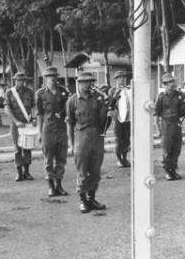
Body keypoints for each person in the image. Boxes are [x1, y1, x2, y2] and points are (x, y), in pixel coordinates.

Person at [66, 71, 108, 213]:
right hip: (81, 139)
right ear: (79, 83)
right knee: (82, 172)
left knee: (95, 171)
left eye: (90, 81)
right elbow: (70, 123)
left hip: (97, 138)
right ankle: (83, 200)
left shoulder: (98, 99)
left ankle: (92, 198)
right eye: (84, 82)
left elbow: (104, 123)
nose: (88, 84)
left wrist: (109, 107)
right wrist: (71, 144)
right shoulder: (72, 101)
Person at [36, 67, 69, 196]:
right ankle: (51, 185)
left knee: (61, 157)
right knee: (48, 158)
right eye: (50, 77)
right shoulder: (40, 93)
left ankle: (59, 185)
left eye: (54, 76)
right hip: (47, 129)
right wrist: (39, 132)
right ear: (46, 78)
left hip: (61, 128)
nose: (52, 79)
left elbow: (68, 111)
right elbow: (39, 114)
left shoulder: (64, 92)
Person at [153, 73, 185, 181]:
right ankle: (168, 171)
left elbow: (182, 112)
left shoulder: (180, 95)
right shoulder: (161, 97)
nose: (172, 84)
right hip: (166, 124)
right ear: (165, 84)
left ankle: (173, 170)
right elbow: (157, 115)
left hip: (177, 124)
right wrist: (158, 130)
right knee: (167, 149)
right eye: (169, 82)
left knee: (176, 148)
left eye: (173, 81)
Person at [4, 72, 36, 182]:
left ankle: (27, 172)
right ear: (15, 80)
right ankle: (19, 173)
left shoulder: (30, 92)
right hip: (15, 125)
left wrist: (34, 118)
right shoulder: (10, 92)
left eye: (22, 80)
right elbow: (7, 109)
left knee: (27, 147)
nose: (20, 82)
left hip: (27, 123)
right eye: (18, 80)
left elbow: (33, 107)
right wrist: (16, 121)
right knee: (17, 149)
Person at [108, 70, 131, 167]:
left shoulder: (128, 89)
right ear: (116, 79)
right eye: (120, 77)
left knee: (126, 139)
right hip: (118, 118)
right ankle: (119, 159)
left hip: (127, 118)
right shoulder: (113, 91)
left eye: (123, 77)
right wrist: (114, 96)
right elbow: (110, 104)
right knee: (119, 139)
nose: (122, 79)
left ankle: (125, 158)